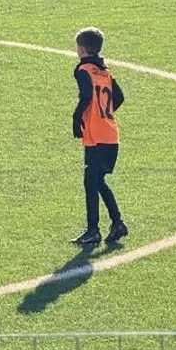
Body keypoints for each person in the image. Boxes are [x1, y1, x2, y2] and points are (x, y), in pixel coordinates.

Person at [71, 27, 128, 247]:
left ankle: (93, 230)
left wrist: (78, 117)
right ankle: (117, 223)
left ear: (81, 49)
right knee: (97, 181)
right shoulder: (105, 72)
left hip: (95, 137)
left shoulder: (83, 69)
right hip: (111, 135)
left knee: (91, 182)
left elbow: (86, 95)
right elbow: (119, 97)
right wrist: (104, 115)